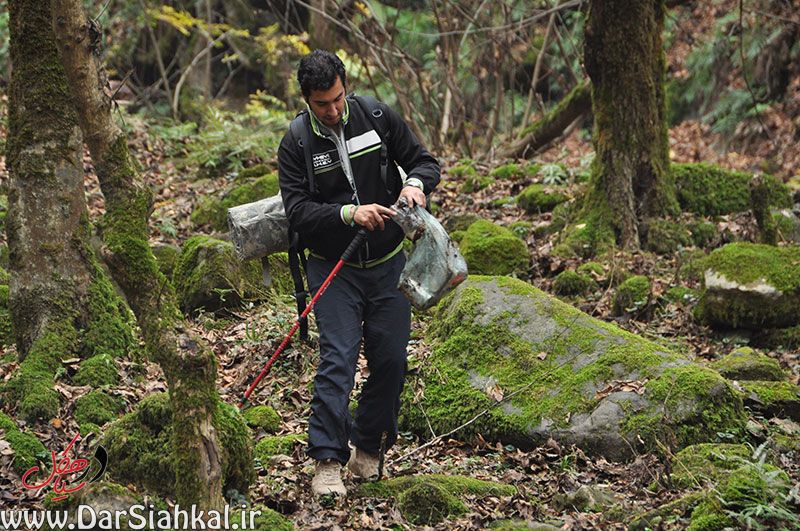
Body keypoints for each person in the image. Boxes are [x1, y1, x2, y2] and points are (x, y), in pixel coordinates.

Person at [278, 50, 440, 496]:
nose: (332, 111)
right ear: (306, 100)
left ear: (345, 86)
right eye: (321, 104)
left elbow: (425, 161)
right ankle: (327, 460)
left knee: (391, 359)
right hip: (334, 267)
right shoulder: (296, 143)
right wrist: (350, 214)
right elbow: (298, 213)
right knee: (339, 359)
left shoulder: (375, 115)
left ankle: (367, 448)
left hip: (389, 265)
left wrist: (414, 184)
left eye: (337, 99)